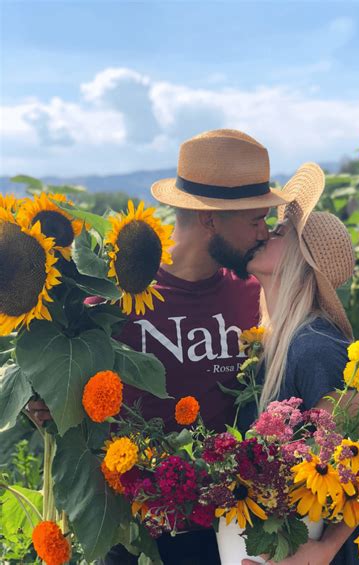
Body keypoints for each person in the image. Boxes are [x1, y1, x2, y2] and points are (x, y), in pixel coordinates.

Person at [26, 129, 297, 565]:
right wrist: (44, 401)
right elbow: (67, 386)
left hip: (226, 528)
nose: (263, 233)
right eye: (254, 220)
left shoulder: (254, 295)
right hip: (132, 532)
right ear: (210, 220)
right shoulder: (114, 299)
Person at [239, 163, 359, 564]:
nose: (266, 232)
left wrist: (324, 550)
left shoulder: (314, 345)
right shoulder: (274, 341)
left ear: (301, 260)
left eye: (280, 232)